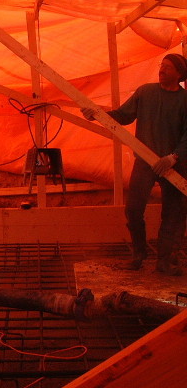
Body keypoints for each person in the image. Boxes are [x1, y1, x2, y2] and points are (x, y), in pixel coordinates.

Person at [82, 53, 187, 275]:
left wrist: (173, 157)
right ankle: (139, 254)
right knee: (133, 209)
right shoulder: (145, 92)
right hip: (145, 161)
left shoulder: (184, 101)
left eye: (167, 67)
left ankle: (165, 261)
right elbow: (123, 115)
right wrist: (98, 115)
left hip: (174, 164)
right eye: (161, 65)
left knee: (174, 212)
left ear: (179, 74)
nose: (161, 69)